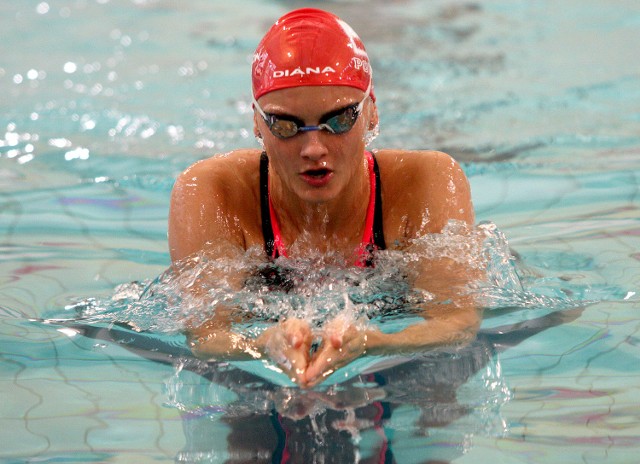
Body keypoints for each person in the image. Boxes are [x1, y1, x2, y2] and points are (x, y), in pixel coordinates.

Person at [168, 8, 481, 388]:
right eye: (285, 125)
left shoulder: (426, 185)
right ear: (256, 122)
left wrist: (377, 342)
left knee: (439, 395)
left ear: (372, 113)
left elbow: (458, 322)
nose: (314, 148)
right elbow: (204, 335)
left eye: (340, 120)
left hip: (395, 366)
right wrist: (259, 345)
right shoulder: (212, 194)